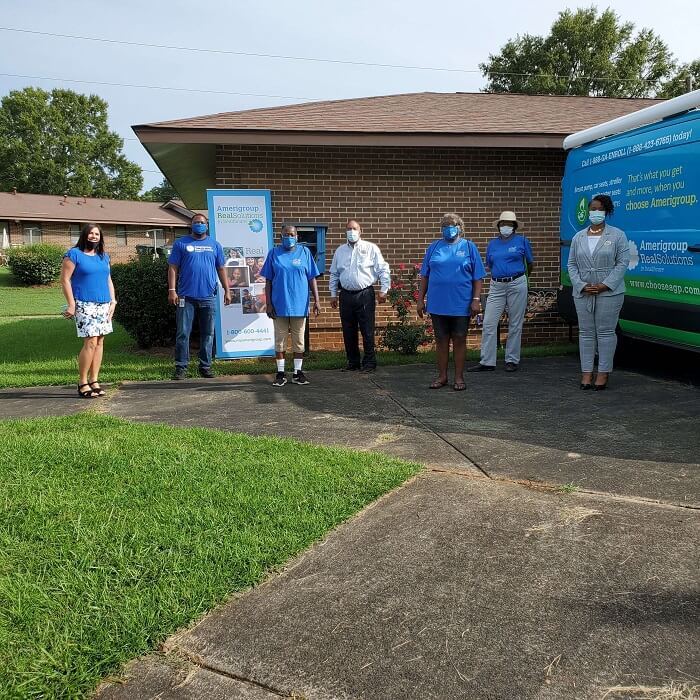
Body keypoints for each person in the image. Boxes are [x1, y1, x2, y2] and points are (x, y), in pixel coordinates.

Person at [567, 194, 630, 390]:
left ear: (607, 212)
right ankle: (586, 373)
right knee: (586, 333)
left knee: (605, 333)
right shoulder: (579, 236)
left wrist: (605, 284)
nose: (594, 213)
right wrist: (581, 285)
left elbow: (622, 263)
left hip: (609, 292)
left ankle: (603, 374)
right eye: (591, 209)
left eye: (599, 209)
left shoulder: (617, 235)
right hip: (584, 292)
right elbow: (571, 264)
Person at [417, 213, 485, 391]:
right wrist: (420, 300)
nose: (448, 228)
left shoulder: (469, 247)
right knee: (441, 339)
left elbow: (478, 277)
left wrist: (476, 300)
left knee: (460, 339)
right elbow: (425, 275)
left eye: (452, 224)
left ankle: (459, 377)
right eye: (445, 225)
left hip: (461, 303)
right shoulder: (434, 248)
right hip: (438, 303)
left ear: (460, 227)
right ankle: (442, 376)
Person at [168, 213, 232, 380]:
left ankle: (205, 366)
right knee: (183, 333)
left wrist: (227, 289)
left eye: (202, 222)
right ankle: (181, 367)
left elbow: (221, 269)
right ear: (191, 224)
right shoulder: (181, 243)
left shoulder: (214, 245)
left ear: (207, 225)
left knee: (208, 333)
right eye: (196, 222)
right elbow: (173, 268)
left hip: (208, 297)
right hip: (185, 296)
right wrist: (172, 290)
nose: (199, 225)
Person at [468, 211, 534, 373]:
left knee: (515, 323)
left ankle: (512, 360)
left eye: (509, 224)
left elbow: (530, 264)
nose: (506, 226)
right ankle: (487, 361)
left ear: (515, 227)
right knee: (489, 322)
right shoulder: (492, 244)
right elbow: (489, 264)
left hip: (517, 283)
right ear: (498, 226)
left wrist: (521, 278)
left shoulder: (522, 241)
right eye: (503, 223)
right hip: (496, 285)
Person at [60, 223, 117, 398]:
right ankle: (82, 382)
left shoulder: (103, 257)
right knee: (90, 342)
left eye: (97, 234)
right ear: (84, 235)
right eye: (91, 233)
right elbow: (65, 280)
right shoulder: (74, 254)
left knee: (100, 342)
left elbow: (108, 280)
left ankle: (94, 380)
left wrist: (113, 301)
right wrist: (71, 304)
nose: (94, 236)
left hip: (104, 304)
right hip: (84, 303)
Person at [329, 219, 391, 372]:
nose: (352, 231)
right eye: (349, 229)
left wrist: (384, 290)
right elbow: (334, 274)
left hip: (365, 295)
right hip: (345, 296)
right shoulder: (340, 251)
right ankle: (353, 362)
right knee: (348, 330)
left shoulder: (371, 248)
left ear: (360, 231)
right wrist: (333, 295)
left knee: (367, 330)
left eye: (354, 228)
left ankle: (369, 363)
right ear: (345, 232)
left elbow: (383, 269)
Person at [262, 225, 321, 387]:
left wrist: (317, 300)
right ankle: (280, 374)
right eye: (286, 234)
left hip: (300, 305)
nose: (289, 237)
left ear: (297, 236)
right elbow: (268, 281)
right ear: (280, 236)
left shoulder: (305, 253)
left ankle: (297, 373)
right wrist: (268, 303)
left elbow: (312, 278)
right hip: (279, 305)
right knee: (280, 341)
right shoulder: (274, 253)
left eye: (292, 234)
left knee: (299, 341)